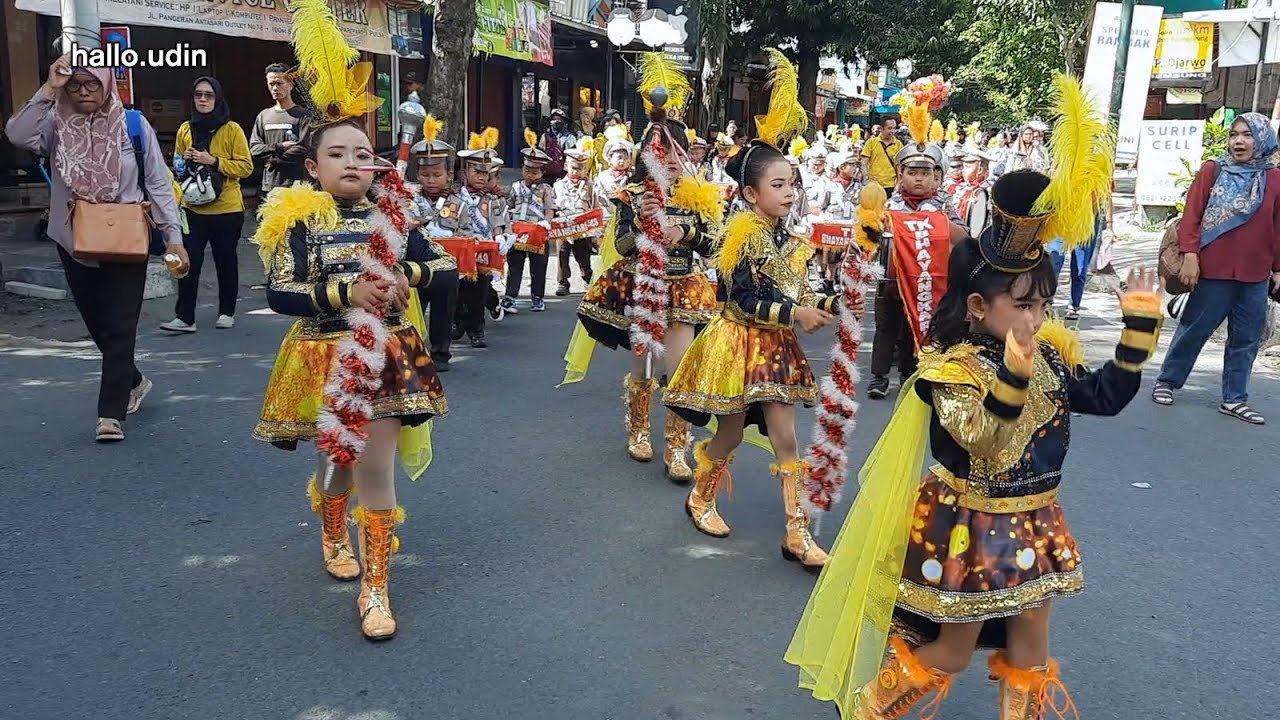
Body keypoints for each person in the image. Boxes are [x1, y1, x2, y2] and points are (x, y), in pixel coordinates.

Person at [786, 180, 1164, 720]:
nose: (1036, 319)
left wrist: (1137, 331)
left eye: (1044, 304)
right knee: (953, 651)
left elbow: (1104, 397)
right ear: (979, 305)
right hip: (969, 526)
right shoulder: (953, 372)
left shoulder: (1049, 359)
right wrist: (1013, 374)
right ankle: (872, 711)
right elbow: (984, 436)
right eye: (1024, 304)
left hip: (1035, 520)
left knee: (1031, 648)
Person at [252, 0, 452, 641]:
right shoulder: (299, 219)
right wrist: (346, 292)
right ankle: (331, 523)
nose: (353, 163)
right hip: (322, 354)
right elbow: (282, 293)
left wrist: (403, 276)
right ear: (313, 167)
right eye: (337, 154)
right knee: (339, 461)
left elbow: (443, 266)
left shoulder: (395, 216)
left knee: (375, 465)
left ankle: (375, 588)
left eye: (362, 153)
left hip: (387, 357)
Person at [663, 48, 844, 570]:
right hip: (739, 342)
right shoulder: (739, 235)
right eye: (779, 185)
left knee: (787, 436)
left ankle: (796, 533)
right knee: (731, 431)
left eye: (793, 184)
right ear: (749, 192)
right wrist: (796, 316)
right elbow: (741, 299)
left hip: (775, 348)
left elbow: (801, 291)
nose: (790, 193)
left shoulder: (788, 237)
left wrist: (837, 300)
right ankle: (701, 496)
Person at [5, 56, 187, 442]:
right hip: (75, 240)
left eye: (92, 85)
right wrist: (49, 87)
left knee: (121, 325)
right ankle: (133, 380)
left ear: (107, 86)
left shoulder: (133, 126)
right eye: (76, 86)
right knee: (99, 326)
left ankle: (110, 414)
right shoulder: (53, 124)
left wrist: (174, 238)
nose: (84, 92)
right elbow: (18, 135)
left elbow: (157, 183)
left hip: (126, 237)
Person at [568, 52, 721, 483]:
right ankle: (639, 429)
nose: (667, 161)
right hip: (642, 284)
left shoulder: (698, 195)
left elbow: (714, 245)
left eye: (673, 152)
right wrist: (645, 228)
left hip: (684, 286)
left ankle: (677, 447)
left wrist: (684, 235)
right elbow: (617, 243)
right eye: (659, 152)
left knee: (679, 366)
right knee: (644, 366)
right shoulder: (629, 194)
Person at [1151, 112, 1280, 424]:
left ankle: (1235, 398)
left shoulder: (1274, 178)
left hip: (1255, 272)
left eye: (1247, 135)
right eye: (1235, 134)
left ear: (1262, 140)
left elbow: (1278, 226)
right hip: (1212, 268)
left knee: (1247, 338)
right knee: (1195, 329)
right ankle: (1167, 381)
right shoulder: (1213, 170)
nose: (1239, 141)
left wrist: (1277, 268)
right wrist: (1191, 256)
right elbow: (1192, 215)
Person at [867, 107, 967, 401]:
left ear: (937, 177)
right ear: (900, 174)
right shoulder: (889, 206)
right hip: (892, 281)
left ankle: (912, 375)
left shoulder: (944, 206)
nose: (919, 179)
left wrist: (937, 222)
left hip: (928, 283)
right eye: (912, 173)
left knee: (919, 329)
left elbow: (964, 239)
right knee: (887, 330)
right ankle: (878, 377)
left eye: (925, 173)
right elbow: (868, 241)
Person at [160, 77, 253, 334]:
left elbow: (246, 167)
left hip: (226, 208)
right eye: (198, 95)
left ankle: (226, 312)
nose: (203, 100)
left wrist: (213, 160)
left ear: (218, 98)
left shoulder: (231, 129)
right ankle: (184, 317)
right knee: (188, 261)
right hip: (193, 206)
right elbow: (177, 163)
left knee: (226, 262)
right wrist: (185, 161)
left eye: (208, 95)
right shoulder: (185, 129)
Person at [407, 115, 462, 372]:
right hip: (416, 264)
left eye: (437, 174)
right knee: (414, 309)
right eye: (425, 174)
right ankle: (414, 351)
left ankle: (440, 353)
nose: (430, 180)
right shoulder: (407, 200)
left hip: (444, 266)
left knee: (444, 309)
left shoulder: (461, 202)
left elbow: (469, 231)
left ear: (448, 175)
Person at [449, 128, 508, 348]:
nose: (482, 177)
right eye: (477, 172)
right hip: (461, 250)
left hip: (483, 253)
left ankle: (476, 330)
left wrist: (500, 238)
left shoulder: (493, 200)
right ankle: (456, 322)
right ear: (465, 172)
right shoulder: (454, 197)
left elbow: (497, 224)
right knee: (456, 290)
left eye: (485, 173)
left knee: (479, 293)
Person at [504, 133, 555, 313]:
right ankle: (510, 296)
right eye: (527, 170)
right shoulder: (516, 187)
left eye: (534, 172)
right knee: (514, 265)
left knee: (538, 266)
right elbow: (508, 206)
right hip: (518, 231)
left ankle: (537, 297)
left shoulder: (546, 189)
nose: (530, 175)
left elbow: (550, 209)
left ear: (542, 172)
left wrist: (546, 223)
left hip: (537, 232)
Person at [249, 63, 312, 193]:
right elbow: (254, 149)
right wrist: (279, 146)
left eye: (279, 83)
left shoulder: (303, 115)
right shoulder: (263, 116)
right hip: (269, 186)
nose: (275, 88)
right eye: (271, 84)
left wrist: (273, 160)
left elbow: (303, 147)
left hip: (296, 185)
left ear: (290, 85)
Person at [554, 147, 598, 297]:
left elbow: (595, 207)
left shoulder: (590, 186)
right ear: (566, 166)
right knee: (562, 254)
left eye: (580, 169)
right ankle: (563, 283)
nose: (576, 172)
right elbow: (553, 207)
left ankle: (588, 279)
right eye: (573, 168)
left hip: (583, 228)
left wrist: (595, 230)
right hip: (563, 227)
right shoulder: (558, 185)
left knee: (583, 256)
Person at [862, 116, 903, 192]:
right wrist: (866, 179)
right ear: (881, 129)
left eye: (894, 128)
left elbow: (899, 166)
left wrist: (898, 184)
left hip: (891, 186)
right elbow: (864, 163)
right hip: (874, 185)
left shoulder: (898, 144)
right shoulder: (871, 142)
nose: (893, 131)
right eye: (889, 128)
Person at [539, 108, 579, 183]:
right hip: (546, 175)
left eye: (559, 119)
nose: (556, 121)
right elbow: (540, 155)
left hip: (563, 175)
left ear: (564, 121)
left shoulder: (570, 138)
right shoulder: (545, 136)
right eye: (553, 119)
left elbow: (572, 158)